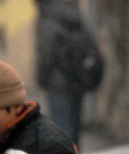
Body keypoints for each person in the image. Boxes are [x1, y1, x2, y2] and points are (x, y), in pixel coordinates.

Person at [35, 0, 93, 145]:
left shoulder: (48, 18)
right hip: (76, 80)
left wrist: (42, 79)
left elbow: (46, 54)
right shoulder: (74, 13)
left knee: (61, 131)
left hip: (57, 84)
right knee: (74, 131)